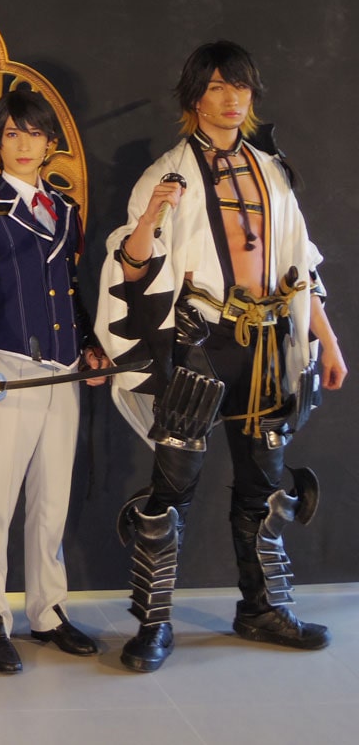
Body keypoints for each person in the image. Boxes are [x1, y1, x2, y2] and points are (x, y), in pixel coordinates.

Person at [95, 41, 347, 672]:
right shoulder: (166, 174)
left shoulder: (272, 171)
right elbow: (133, 266)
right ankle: (153, 623)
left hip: (267, 346)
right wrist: (151, 217)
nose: (232, 99)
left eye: (240, 86)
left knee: (263, 482)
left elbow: (300, 263)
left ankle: (262, 609)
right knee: (172, 487)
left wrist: (327, 339)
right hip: (200, 344)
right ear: (194, 98)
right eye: (216, 87)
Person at [0, 89, 107, 673]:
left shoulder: (64, 210)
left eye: (35, 134)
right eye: (13, 134)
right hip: (8, 369)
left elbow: (70, 287)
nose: (23, 144)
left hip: (62, 369)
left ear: (50, 143)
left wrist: (88, 344)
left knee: (52, 498)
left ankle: (49, 611)